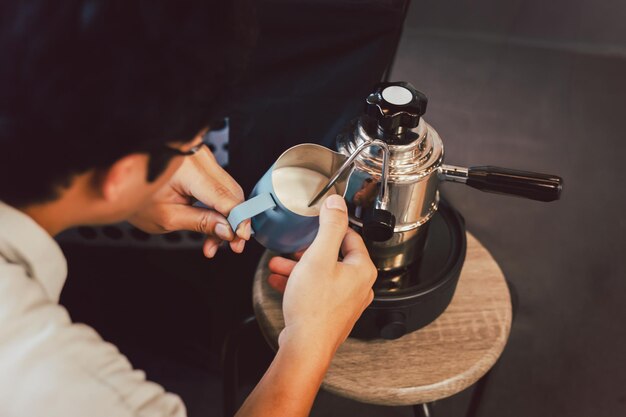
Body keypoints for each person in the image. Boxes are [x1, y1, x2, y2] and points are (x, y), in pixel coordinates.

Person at [0, 1, 376, 417]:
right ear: (120, 177)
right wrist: (310, 340)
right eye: (189, 147)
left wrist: (136, 177)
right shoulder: (80, 390)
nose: (193, 158)